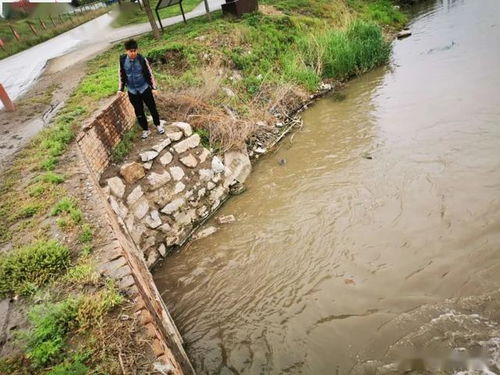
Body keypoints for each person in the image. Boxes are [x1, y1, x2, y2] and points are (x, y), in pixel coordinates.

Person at [118, 39, 164, 139]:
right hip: (132, 91)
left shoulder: (141, 59)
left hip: (144, 88)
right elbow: (121, 74)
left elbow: (149, 73)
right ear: (127, 51)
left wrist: (154, 87)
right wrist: (120, 89)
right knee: (138, 111)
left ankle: (158, 125)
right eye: (131, 51)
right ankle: (145, 129)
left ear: (137, 50)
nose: (133, 53)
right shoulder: (122, 60)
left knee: (152, 107)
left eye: (135, 50)